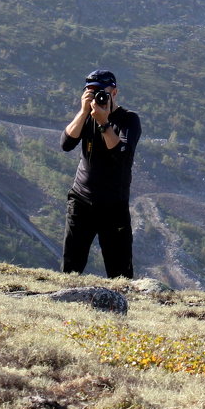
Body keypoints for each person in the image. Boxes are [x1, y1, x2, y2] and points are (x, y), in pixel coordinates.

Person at [60, 69, 142, 279]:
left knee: (120, 274)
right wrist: (83, 111)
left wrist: (104, 123)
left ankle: (122, 307)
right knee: (71, 267)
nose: (97, 97)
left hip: (114, 206)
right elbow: (66, 143)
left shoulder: (129, 120)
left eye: (101, 92)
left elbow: (122, 156)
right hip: (81, 200)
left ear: (114, 92)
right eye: (91, 92)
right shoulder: (86, 117)